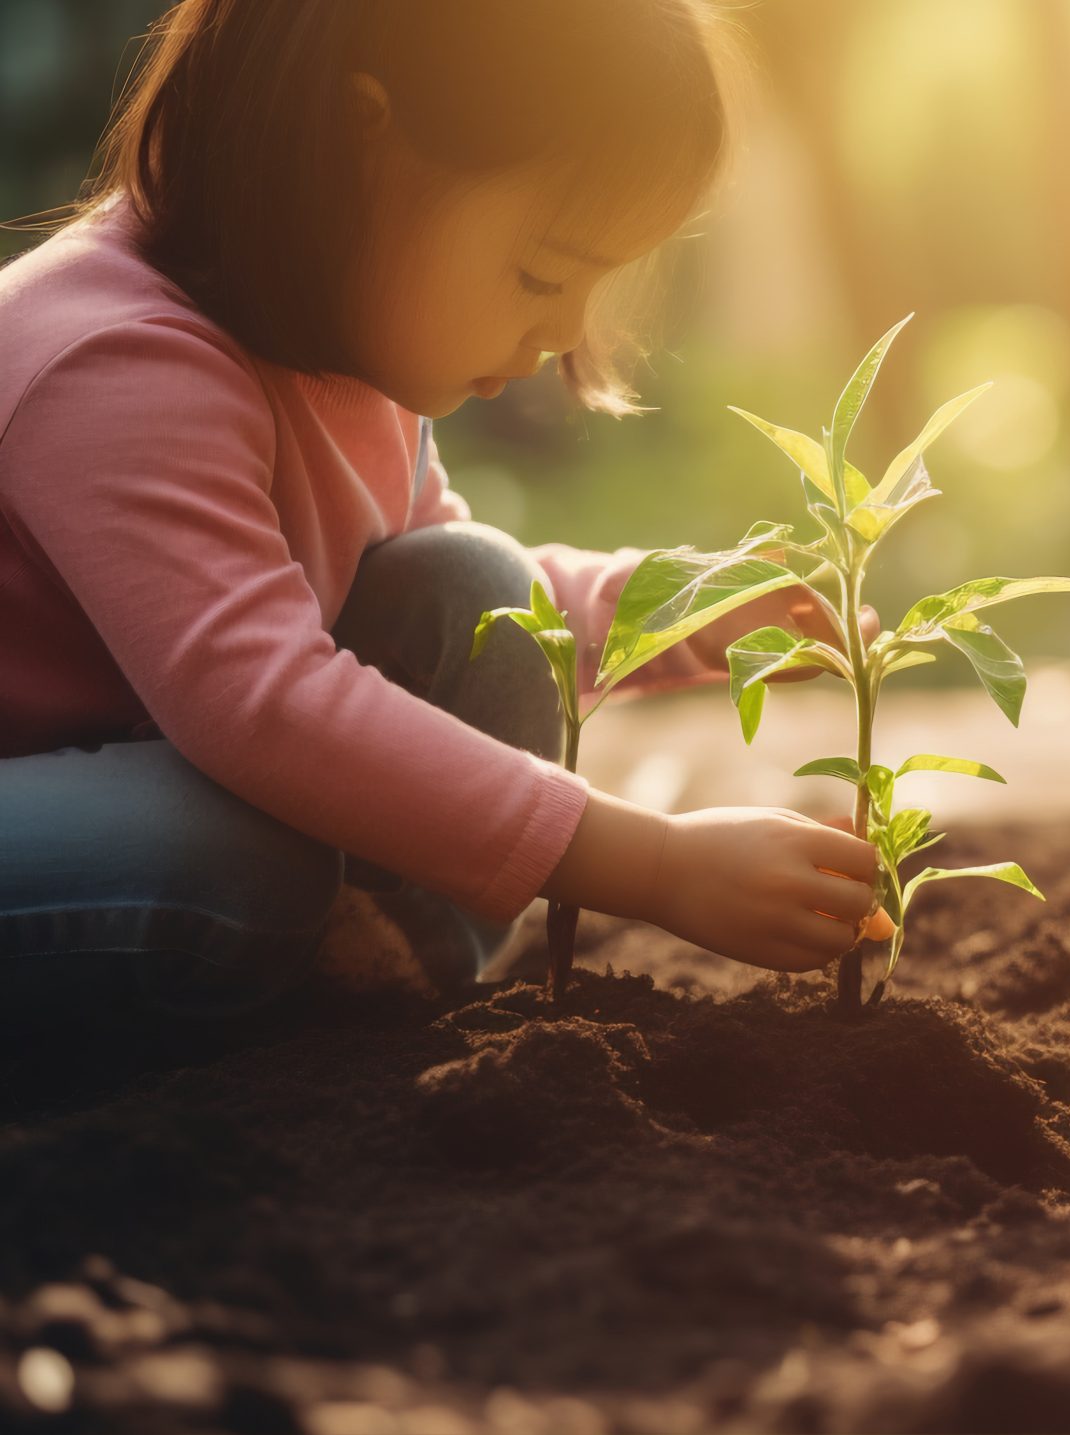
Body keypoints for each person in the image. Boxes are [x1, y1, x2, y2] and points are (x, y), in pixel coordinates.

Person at [0, 0, 891, 1005]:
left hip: (128, 769)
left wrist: (677, 612)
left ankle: (376, 974)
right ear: (356, 147)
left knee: (477, 594)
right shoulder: (109, 364)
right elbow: (262, 704)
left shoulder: (332, 352)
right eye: (542, 273)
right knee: (231, 860)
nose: (565, 332)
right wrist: (652, 863)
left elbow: (435, 569)